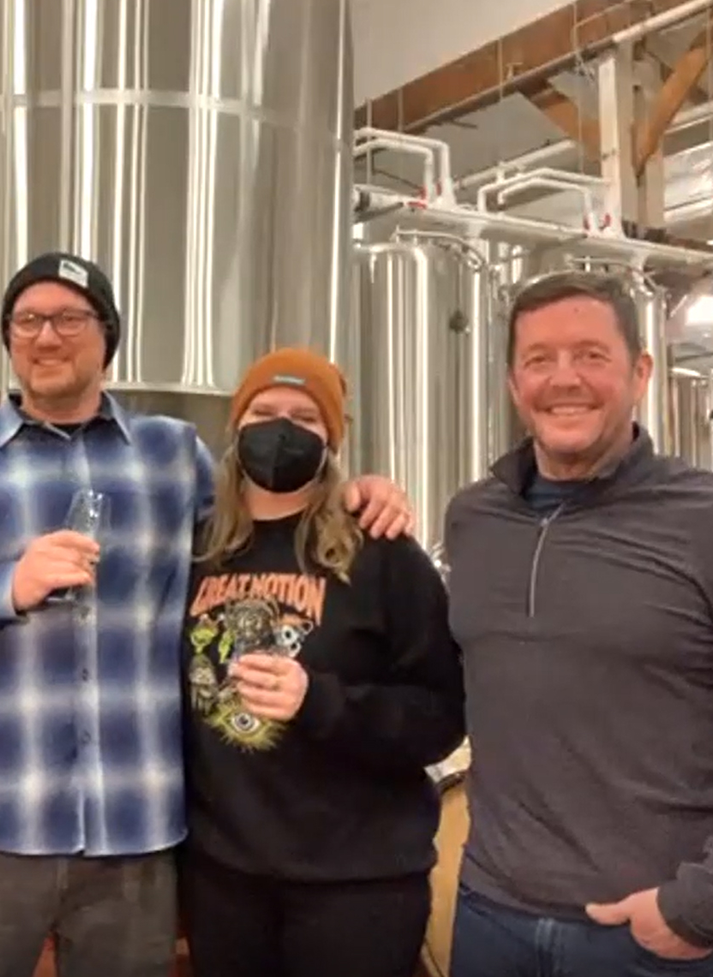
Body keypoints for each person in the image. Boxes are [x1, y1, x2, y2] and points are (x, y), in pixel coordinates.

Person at [0, 250, 416, 977]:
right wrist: (4, 587)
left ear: (108, 337)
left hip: (134, 834)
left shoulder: (173, 455)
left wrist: (358, 490)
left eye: (69, 319)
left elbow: (270, 530)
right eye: (27, 320)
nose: (45, 336)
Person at [444, 270, 713, 977]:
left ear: (641, 372)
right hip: (491, 919)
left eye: (591, 355)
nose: (564, 378)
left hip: (656, 939)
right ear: (513, 383)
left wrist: (711, 902)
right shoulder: (474, 519)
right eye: (539, 359)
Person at [180, 346, 466, 977]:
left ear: (331, 440)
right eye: (264, 412)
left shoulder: (383, 553)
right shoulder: (198, 549)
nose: (281, 430)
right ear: (236, 426)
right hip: (224, 878)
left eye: (305, 418)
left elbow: (443, 716)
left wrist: (320, 701)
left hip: (357, 884)